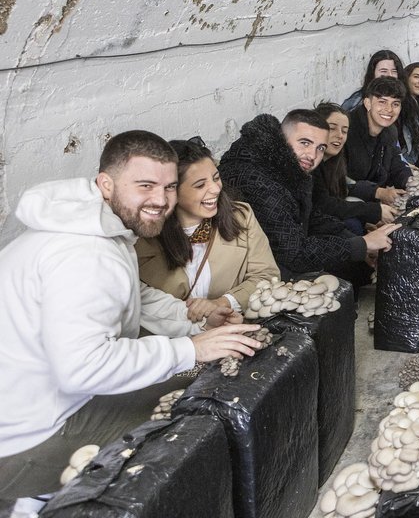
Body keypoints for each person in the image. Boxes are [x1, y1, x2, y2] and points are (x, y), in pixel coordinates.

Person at [0, 131, 263, 501]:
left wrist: (200, 324)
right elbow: (82, 368)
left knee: (188, 378)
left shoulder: (96, 225)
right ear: (106, 183)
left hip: (46, 405)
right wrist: (190, 349)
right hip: (31, 437)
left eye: (170, 187)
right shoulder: (85, 254)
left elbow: (136, 295)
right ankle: (36, 502)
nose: (161, 200)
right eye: (145, 185)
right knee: (193, 415)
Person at [219, 109, 398, 287]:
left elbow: (310, 216)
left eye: (320, 148)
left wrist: (358, 242)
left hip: (281, 251)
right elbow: (294, 255)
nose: (312, 156)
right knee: (341, 281)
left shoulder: (286, 166)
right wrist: (360, 245)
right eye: (305, 143)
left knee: (357, 267)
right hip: (247, 271)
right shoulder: (261, 182)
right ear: (282, 138)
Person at [137, 139, 280, 319]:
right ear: (171, 191)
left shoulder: (241, 217)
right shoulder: (142, 235)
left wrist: (222, 303)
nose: (215, 189)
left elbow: (266, 275)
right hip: (166, 341)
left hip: (228, 327)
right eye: (200, 185)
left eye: (216, 178)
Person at [312, 102, 397, 233]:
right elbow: (324, 205)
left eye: (344, 131)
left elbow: (345, 190)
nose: (340, 135)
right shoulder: (310, 164)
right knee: (352, 224)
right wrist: (373, 211)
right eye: (332, 128)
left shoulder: (334, 163)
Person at [344, 76, 413, 205]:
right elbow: (338, 180)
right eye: (382, 102)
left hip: (373, 199)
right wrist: (378, 192)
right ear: (367, 103)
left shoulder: (390, 131)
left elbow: (397, 164)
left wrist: (411, 183)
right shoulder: (346, 130)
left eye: (395, 104)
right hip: (345, 201)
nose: (389, 109)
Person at [398, 63, 419, 164]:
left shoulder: (417, 103)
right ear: (406, 78)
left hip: (414, 154)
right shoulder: (401, 105)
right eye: (416, 77)